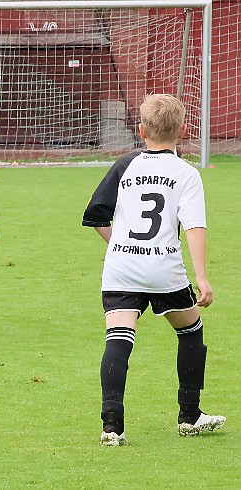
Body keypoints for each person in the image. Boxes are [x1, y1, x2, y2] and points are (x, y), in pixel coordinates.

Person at [82, 94, 225, 446]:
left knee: (118, 339)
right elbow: (194, 226)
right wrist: (202, 277)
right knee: (191, 329)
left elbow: (96, 215)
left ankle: (112, 427)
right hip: (164, 268)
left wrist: (120, 245)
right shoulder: (186, 174)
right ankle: (190, 415)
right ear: (183, 131)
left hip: (121, 267)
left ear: (141, 130)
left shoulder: (124, 165)